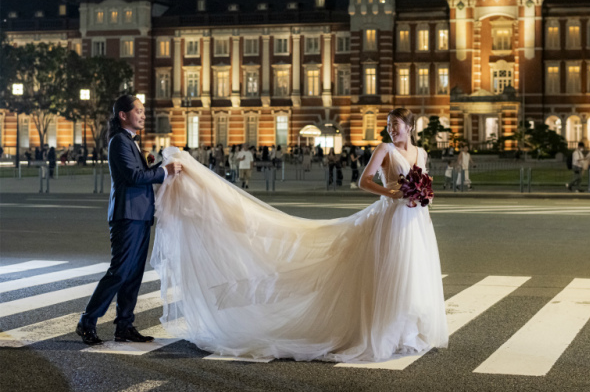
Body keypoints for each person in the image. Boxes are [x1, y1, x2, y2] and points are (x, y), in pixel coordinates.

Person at [151, 107, 447, 362]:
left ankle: (408, 330)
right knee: (390, 273)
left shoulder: (420, 153)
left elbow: (424, 180)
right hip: (390, 216)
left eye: (395, 125)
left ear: (409, 127)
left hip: (416, 219)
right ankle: (386, 330)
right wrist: (389, 191)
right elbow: (363, 181)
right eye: (388, 125)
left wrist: (423, 195)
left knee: (413, 273)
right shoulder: (385, 150)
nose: (391, 129)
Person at [76, 95, 181, 346]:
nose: (143, 115)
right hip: (127, 215)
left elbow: (140, 172)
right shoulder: (119, 142)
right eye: (139, 111)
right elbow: (134, 176)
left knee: (133, 273)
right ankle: (87, 321)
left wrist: (154, 166)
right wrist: (164, 171)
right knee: (120, 271)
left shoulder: (132, 142)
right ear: (123, 115)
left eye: (144, 111)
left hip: (141, 214)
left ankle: (124, 326)